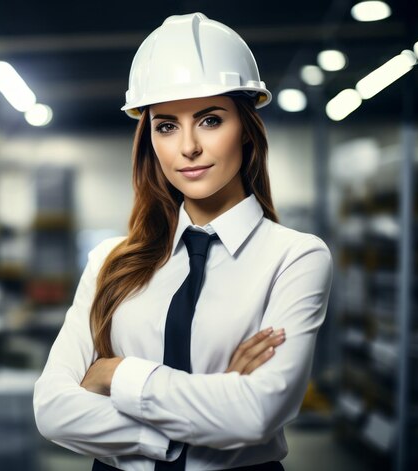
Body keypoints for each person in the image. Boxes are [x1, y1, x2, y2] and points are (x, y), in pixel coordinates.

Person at [33, 12, 333, 471]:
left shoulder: (295, 257)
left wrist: (116, 375)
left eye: (210, 120)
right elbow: (54, 411)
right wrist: (210, 406)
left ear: (247, 130)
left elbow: (258, 414)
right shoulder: (109, 261)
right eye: (166, 125)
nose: (187, 147)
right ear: (149, 138)